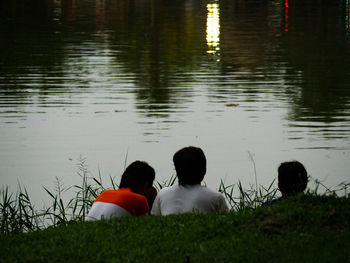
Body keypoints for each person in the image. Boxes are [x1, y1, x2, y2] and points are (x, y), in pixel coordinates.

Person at [151, 146, 229, 215]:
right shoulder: (216, 197)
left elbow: (155, 218)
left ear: (177, 172)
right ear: (204, 171)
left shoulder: (163, 193)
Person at [86, 160, 156, 221]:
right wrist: (152, 204)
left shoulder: (104, 194)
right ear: (146, 185)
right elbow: (146, 227)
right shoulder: (139, 199)